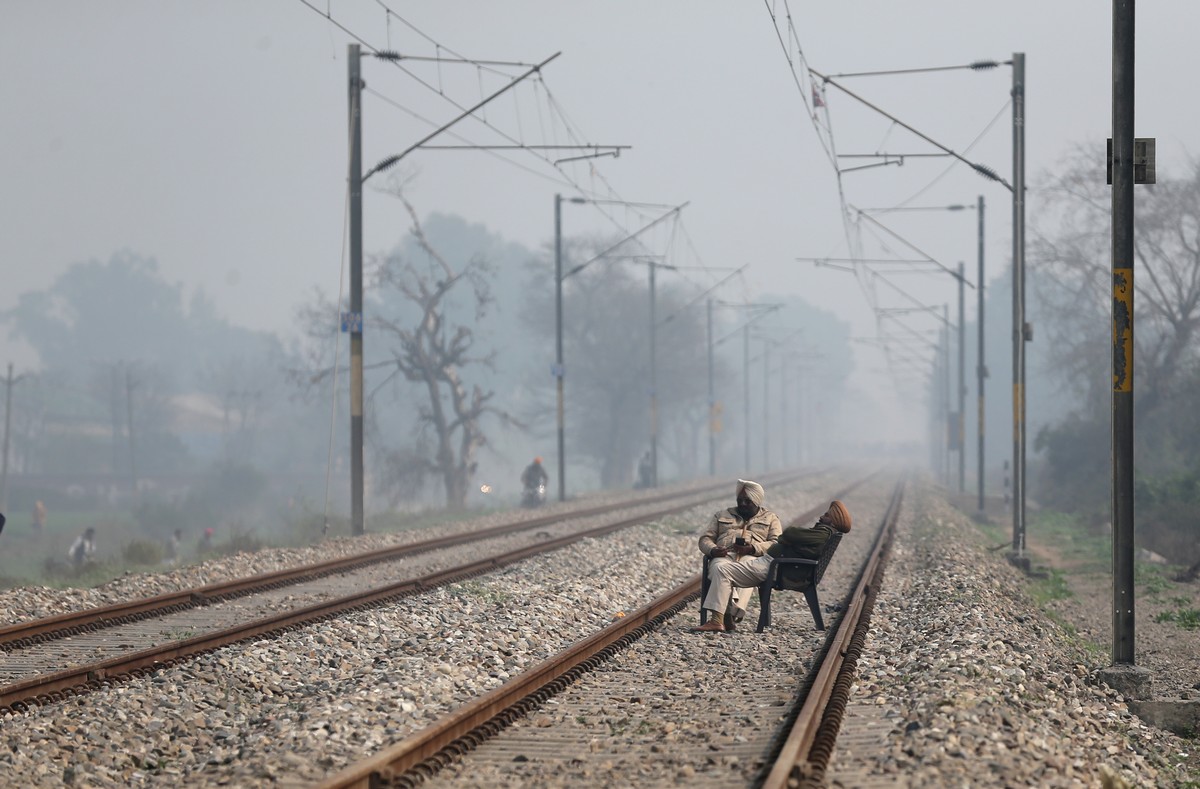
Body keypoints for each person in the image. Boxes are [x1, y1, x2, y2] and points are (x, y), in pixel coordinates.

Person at [693, 499, 851, 633]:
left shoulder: (822, 533)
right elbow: (791, 540)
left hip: (773, 567)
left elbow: (789, 533)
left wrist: (788, 541)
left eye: (826, 515)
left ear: (833, 520)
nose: (822, 517)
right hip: (774, 565)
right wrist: (789, 543)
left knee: (721, 569)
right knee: (723, 570)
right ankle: (724, 618)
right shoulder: (824, 533)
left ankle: (717, 620)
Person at [692, 479, 783, 632]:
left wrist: (753, 548)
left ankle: (724, 616)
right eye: (740, 500)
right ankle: (727, 615)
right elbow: (705, 539)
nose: (742, 504)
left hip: (754, 557)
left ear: (756, 501)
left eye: (747, 501)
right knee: (718, 567)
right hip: (725, 555)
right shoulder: (721, 515)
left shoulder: (771, 518)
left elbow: (777, 543)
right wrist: (714, 550)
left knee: (735, 568)